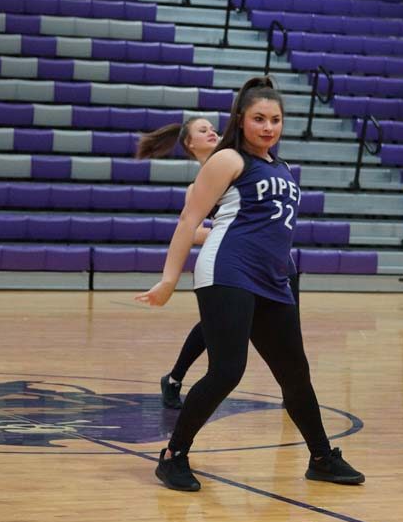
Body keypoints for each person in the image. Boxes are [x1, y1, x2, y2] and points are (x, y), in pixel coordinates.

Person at [135, 76, 364, 491]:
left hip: (274, 278)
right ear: (241, 120)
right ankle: (173, 456)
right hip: (229, 270)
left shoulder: (283, 167)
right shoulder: (227, 160)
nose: (268, 127)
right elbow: (189, 220)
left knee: (295, 374)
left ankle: (321, 458)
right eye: (259, 118)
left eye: (275, 119)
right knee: (227, 370)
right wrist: (169, 278)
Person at [136, 116, 221, 408]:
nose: (211, 132)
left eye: (213, 128)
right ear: (189, 143)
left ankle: (293, 386)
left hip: (258, 257)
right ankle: (174, 378)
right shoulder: (196, 186)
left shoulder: (236, 164)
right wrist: (225, 232)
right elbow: (190, 231)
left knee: (226, 324)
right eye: (203, 129)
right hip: (225, 260)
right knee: (218, 325)